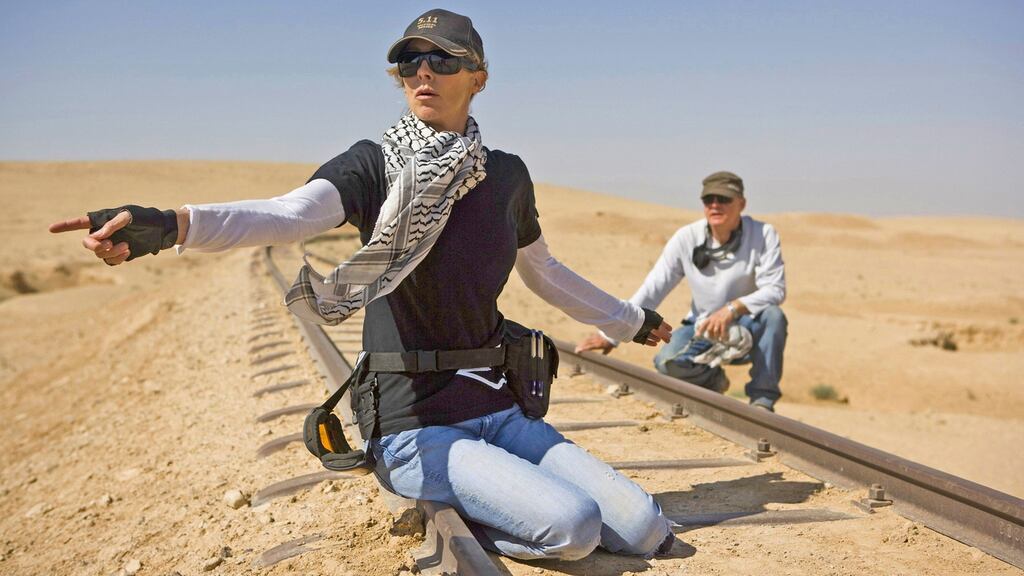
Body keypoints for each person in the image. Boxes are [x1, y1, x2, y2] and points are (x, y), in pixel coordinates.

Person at [49, 9, 679, 561]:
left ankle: (515, 498)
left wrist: (634, 321)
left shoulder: (506, 177)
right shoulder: (373, 165)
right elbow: (287, 214)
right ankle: (487, 507)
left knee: (645, 528)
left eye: (442, 60)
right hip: (415, 422)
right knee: (574, 526)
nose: (422, 72)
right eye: (408, 63)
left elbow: (545, 272)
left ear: (479, 78)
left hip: (498, 406)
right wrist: (171, 225)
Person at [576, 171, 788, 412]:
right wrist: (612, 333)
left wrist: (732, 308)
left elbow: (776, 289)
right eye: (709, 199)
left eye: (724, 198)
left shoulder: (763, 234)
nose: (715, 205)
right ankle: (714, 380)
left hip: (750, 325)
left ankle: (763, 402)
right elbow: (655, 287)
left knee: (774, 316)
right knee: (666, 362)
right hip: (704, 326)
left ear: (742, 204)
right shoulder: (687, 238)